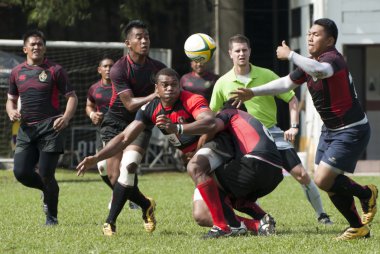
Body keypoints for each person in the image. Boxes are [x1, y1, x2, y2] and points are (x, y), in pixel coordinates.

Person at [230, 18, 378, 240]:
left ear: (330, 40)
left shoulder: (333, 60)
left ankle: (367, 194)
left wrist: (290, 55)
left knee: (322, 179)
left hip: (351, 129)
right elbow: (286, 83)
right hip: (330, 130)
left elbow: (320, 70)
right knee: (329, 184)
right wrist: (253, 92)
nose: (310, 37)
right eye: (309, 33)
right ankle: (358, 226)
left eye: (316, 34)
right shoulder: (311, 62)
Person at [209, 34, 332, 225]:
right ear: (230, 54)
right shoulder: (222, 83)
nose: (241, 54)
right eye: (237, 51)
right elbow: (213, 115)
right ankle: (258, 220)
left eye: (244, 50)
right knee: (248, 180)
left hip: (272, 133)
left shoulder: (266, 75)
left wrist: (293, 126)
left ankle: (322, 215)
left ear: (250, 51)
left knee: (302, 174)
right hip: (241, 140)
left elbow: (291, 98)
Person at [96, 20, 166, 235]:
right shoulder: (118, 69)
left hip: (141, 122)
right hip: (115, 121)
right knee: (113, 176)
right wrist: (156, 94)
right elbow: (129, 103)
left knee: (129, 167)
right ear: (128, 43)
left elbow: (167, 96)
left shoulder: (158, 69)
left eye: (146, 36)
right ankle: (146, 204)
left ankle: (110, 222)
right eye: (139, 37)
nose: (144, 40)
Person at [6, 29, 78, 225]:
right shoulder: (16, 72)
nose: (36, 47)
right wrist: (11, 111)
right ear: (25, 48)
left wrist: (66, 117)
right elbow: (10, 100)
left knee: (46, 174)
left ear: (44, 48)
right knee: (20, 173)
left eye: (40, 44)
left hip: (51, 129)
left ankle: (51, 217)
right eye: (33, 44)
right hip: (26, 129)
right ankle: (47, 190)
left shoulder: (55, 70)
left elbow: (72, 97)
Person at [190, 101, 284, 238]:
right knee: (232, 195)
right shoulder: (251, 120)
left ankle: (231, 226)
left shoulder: (229, 113)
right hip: (275, 174)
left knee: (207, 179)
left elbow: (211, 127)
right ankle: (262, 218)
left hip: (254, 165)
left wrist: (181, 129)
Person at [86, 57, 114, 190]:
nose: (108, 69)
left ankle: (124, 197)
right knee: (102, 167)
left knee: (123, 165)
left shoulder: (122, 87)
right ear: (99, 70)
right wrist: (92, 114)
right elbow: (89, 105)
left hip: (121, 130)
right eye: (105, 66)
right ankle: (120, 193)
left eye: (111, 66)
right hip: (101, 131)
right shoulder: (94, 88)